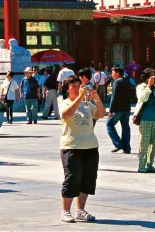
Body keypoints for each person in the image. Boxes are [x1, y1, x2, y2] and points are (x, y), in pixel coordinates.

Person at [59, 75, 106, 223]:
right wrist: (79, 98)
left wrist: (96, 97)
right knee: (72, 178)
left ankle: (80, 210)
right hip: (71, 146)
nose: (76, 88)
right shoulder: (64, 102)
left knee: (88, 178)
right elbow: (66, 114)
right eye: (72, 86)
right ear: (67, 89)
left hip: (90, 145)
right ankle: (65, 211)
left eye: (78, 86)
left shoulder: (87, 104)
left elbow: (100, 114)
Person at [135, 68, 155, 173]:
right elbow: (142, 98)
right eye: (151, 76)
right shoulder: (141, 87)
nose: (153, 78)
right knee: (145, 142)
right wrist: (148, 86)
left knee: (153, 142)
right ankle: (141, 166)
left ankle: (150, 165)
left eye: (154, 76)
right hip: (145, 118)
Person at [106, 66, 131, 154]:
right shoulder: (127, 81)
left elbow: (114, 97)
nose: (111, 74)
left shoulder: (116, 82)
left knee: (109, 125)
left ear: (117, 73)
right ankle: (127, 147)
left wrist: (110, 110)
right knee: (125, 127)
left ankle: (119, 144)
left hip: (117, 109)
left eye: (112, 72)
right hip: (126, 108)